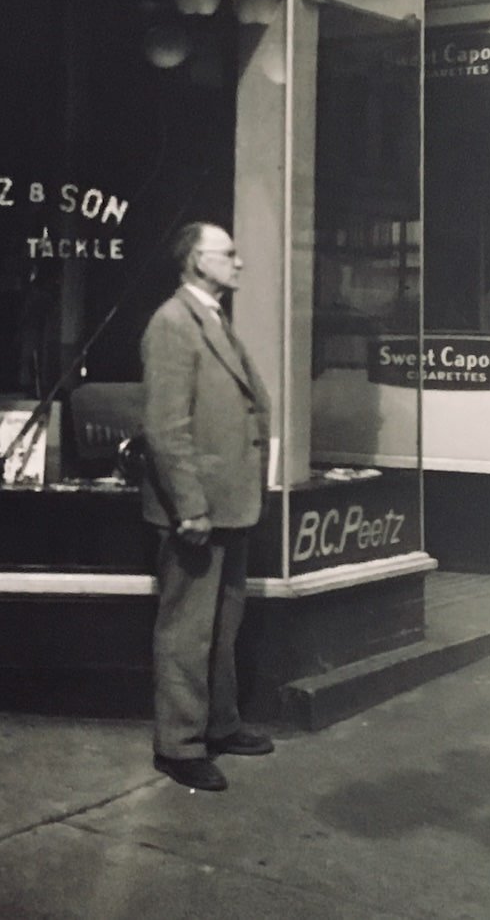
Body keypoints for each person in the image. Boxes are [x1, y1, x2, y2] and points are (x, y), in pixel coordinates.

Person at [141, 221, 273, 792]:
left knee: (223, 623)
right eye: (229, 254)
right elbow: (166, 427)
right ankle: (178, 744)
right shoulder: (173, 323)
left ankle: (219, 725)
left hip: (231, 504)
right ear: (197, 260)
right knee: (187, 628)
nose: (239, 263)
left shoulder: (213, 320)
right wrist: (189, 506)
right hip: (200, 509)